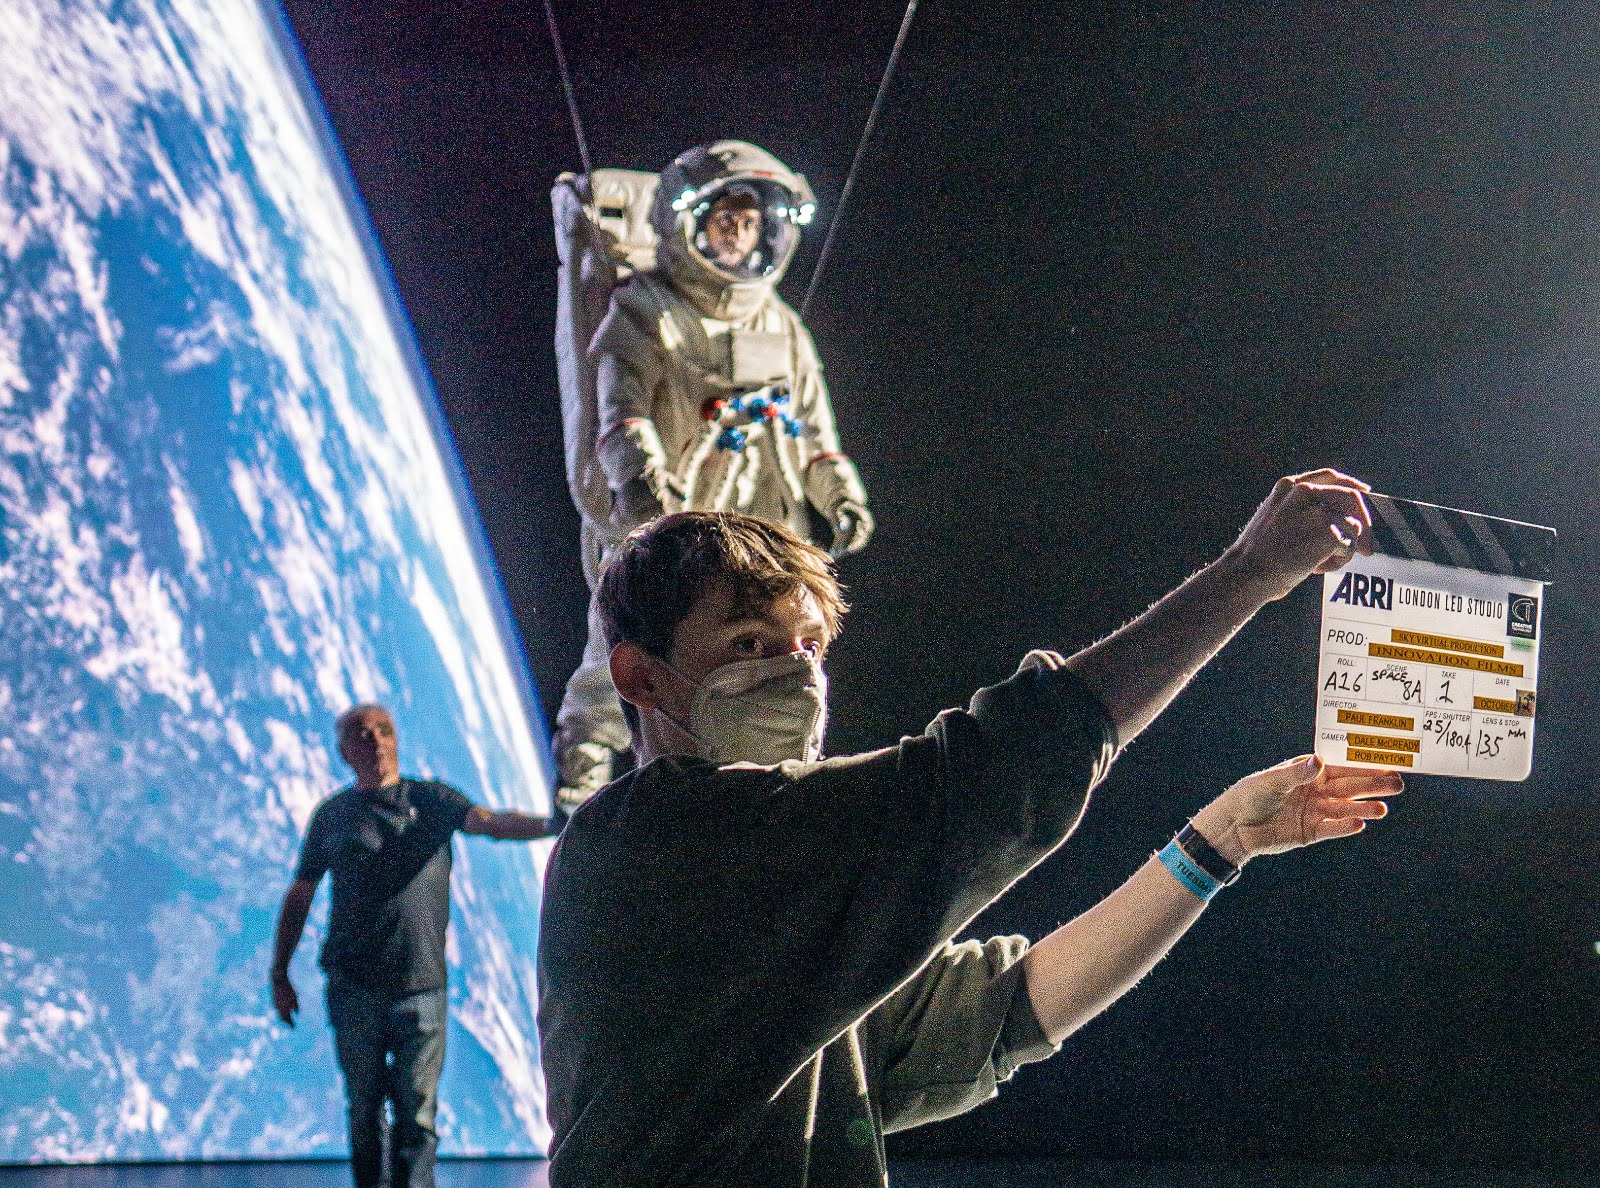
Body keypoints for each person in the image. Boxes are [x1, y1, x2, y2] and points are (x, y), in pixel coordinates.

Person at [537, 470, 1403, 1186]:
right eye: (750, 642)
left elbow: (1007, 1010)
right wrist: (1247, 573)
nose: (796, 672)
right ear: (641, 678)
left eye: (808, 645)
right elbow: (995, 778)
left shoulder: (789, 928)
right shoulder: (659, 845)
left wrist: (1219, 844)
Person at [551, 140, 874, 815]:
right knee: (626, 642)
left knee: (773, 643)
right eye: (725, 219)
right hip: (671, 512)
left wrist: (840, 495)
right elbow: (622, 408)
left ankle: (768, 771)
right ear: (684, 225)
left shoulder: (781, 328)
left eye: (752, 223)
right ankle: (586, 763)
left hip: (755, 508)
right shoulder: (647, 310)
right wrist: (640, 482)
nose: (739, 234)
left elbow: (813, 429)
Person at [270, 704, 555, 1188]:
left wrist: (557, 824)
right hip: (354, 987)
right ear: (345, 751)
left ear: (396, 739)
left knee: (416, 1118)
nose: (376, 741)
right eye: (362, 735)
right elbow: (301, 893)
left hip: (421, 989)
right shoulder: (333, 817)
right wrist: (280, 971)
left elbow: (490, 823)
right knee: (363, 1112)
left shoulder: (432, 801)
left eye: (383, 731)